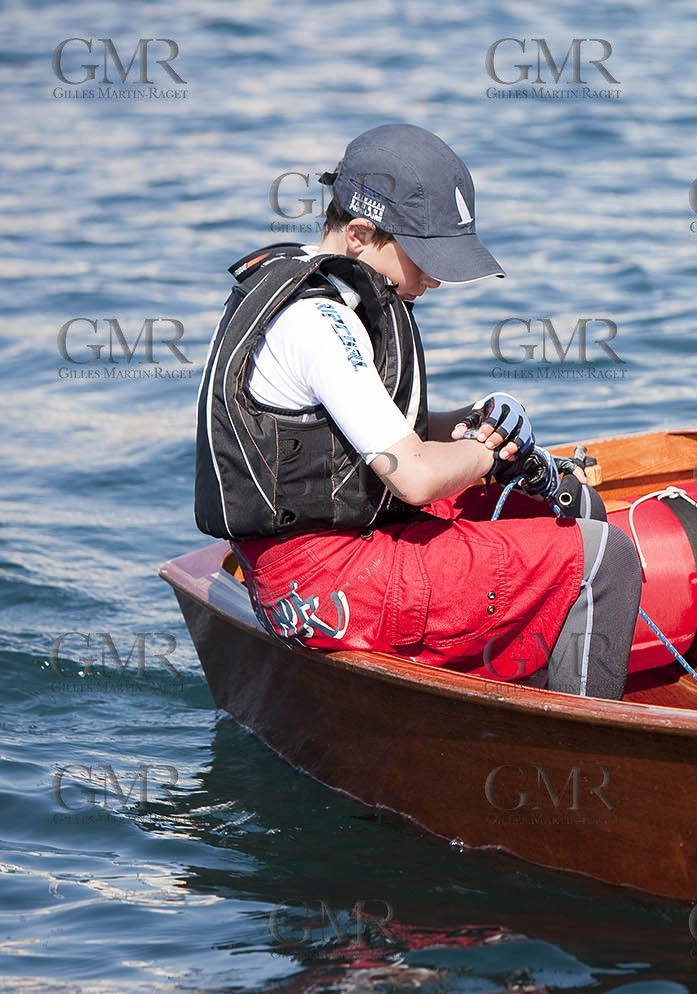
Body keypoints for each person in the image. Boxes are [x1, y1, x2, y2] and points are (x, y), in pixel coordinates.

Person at [193, 123, 641, 699]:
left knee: (565, 503)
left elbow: (352, 432)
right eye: (424, 256)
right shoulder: (320, 322)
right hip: (325, 585)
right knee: (606, 557)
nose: (435, 277)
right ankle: (579, 758)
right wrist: (484, 452)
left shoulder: (309, 292)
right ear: (359, 233)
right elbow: (416, 476)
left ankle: (509, 686)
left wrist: (472, 419)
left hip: (298, 568)